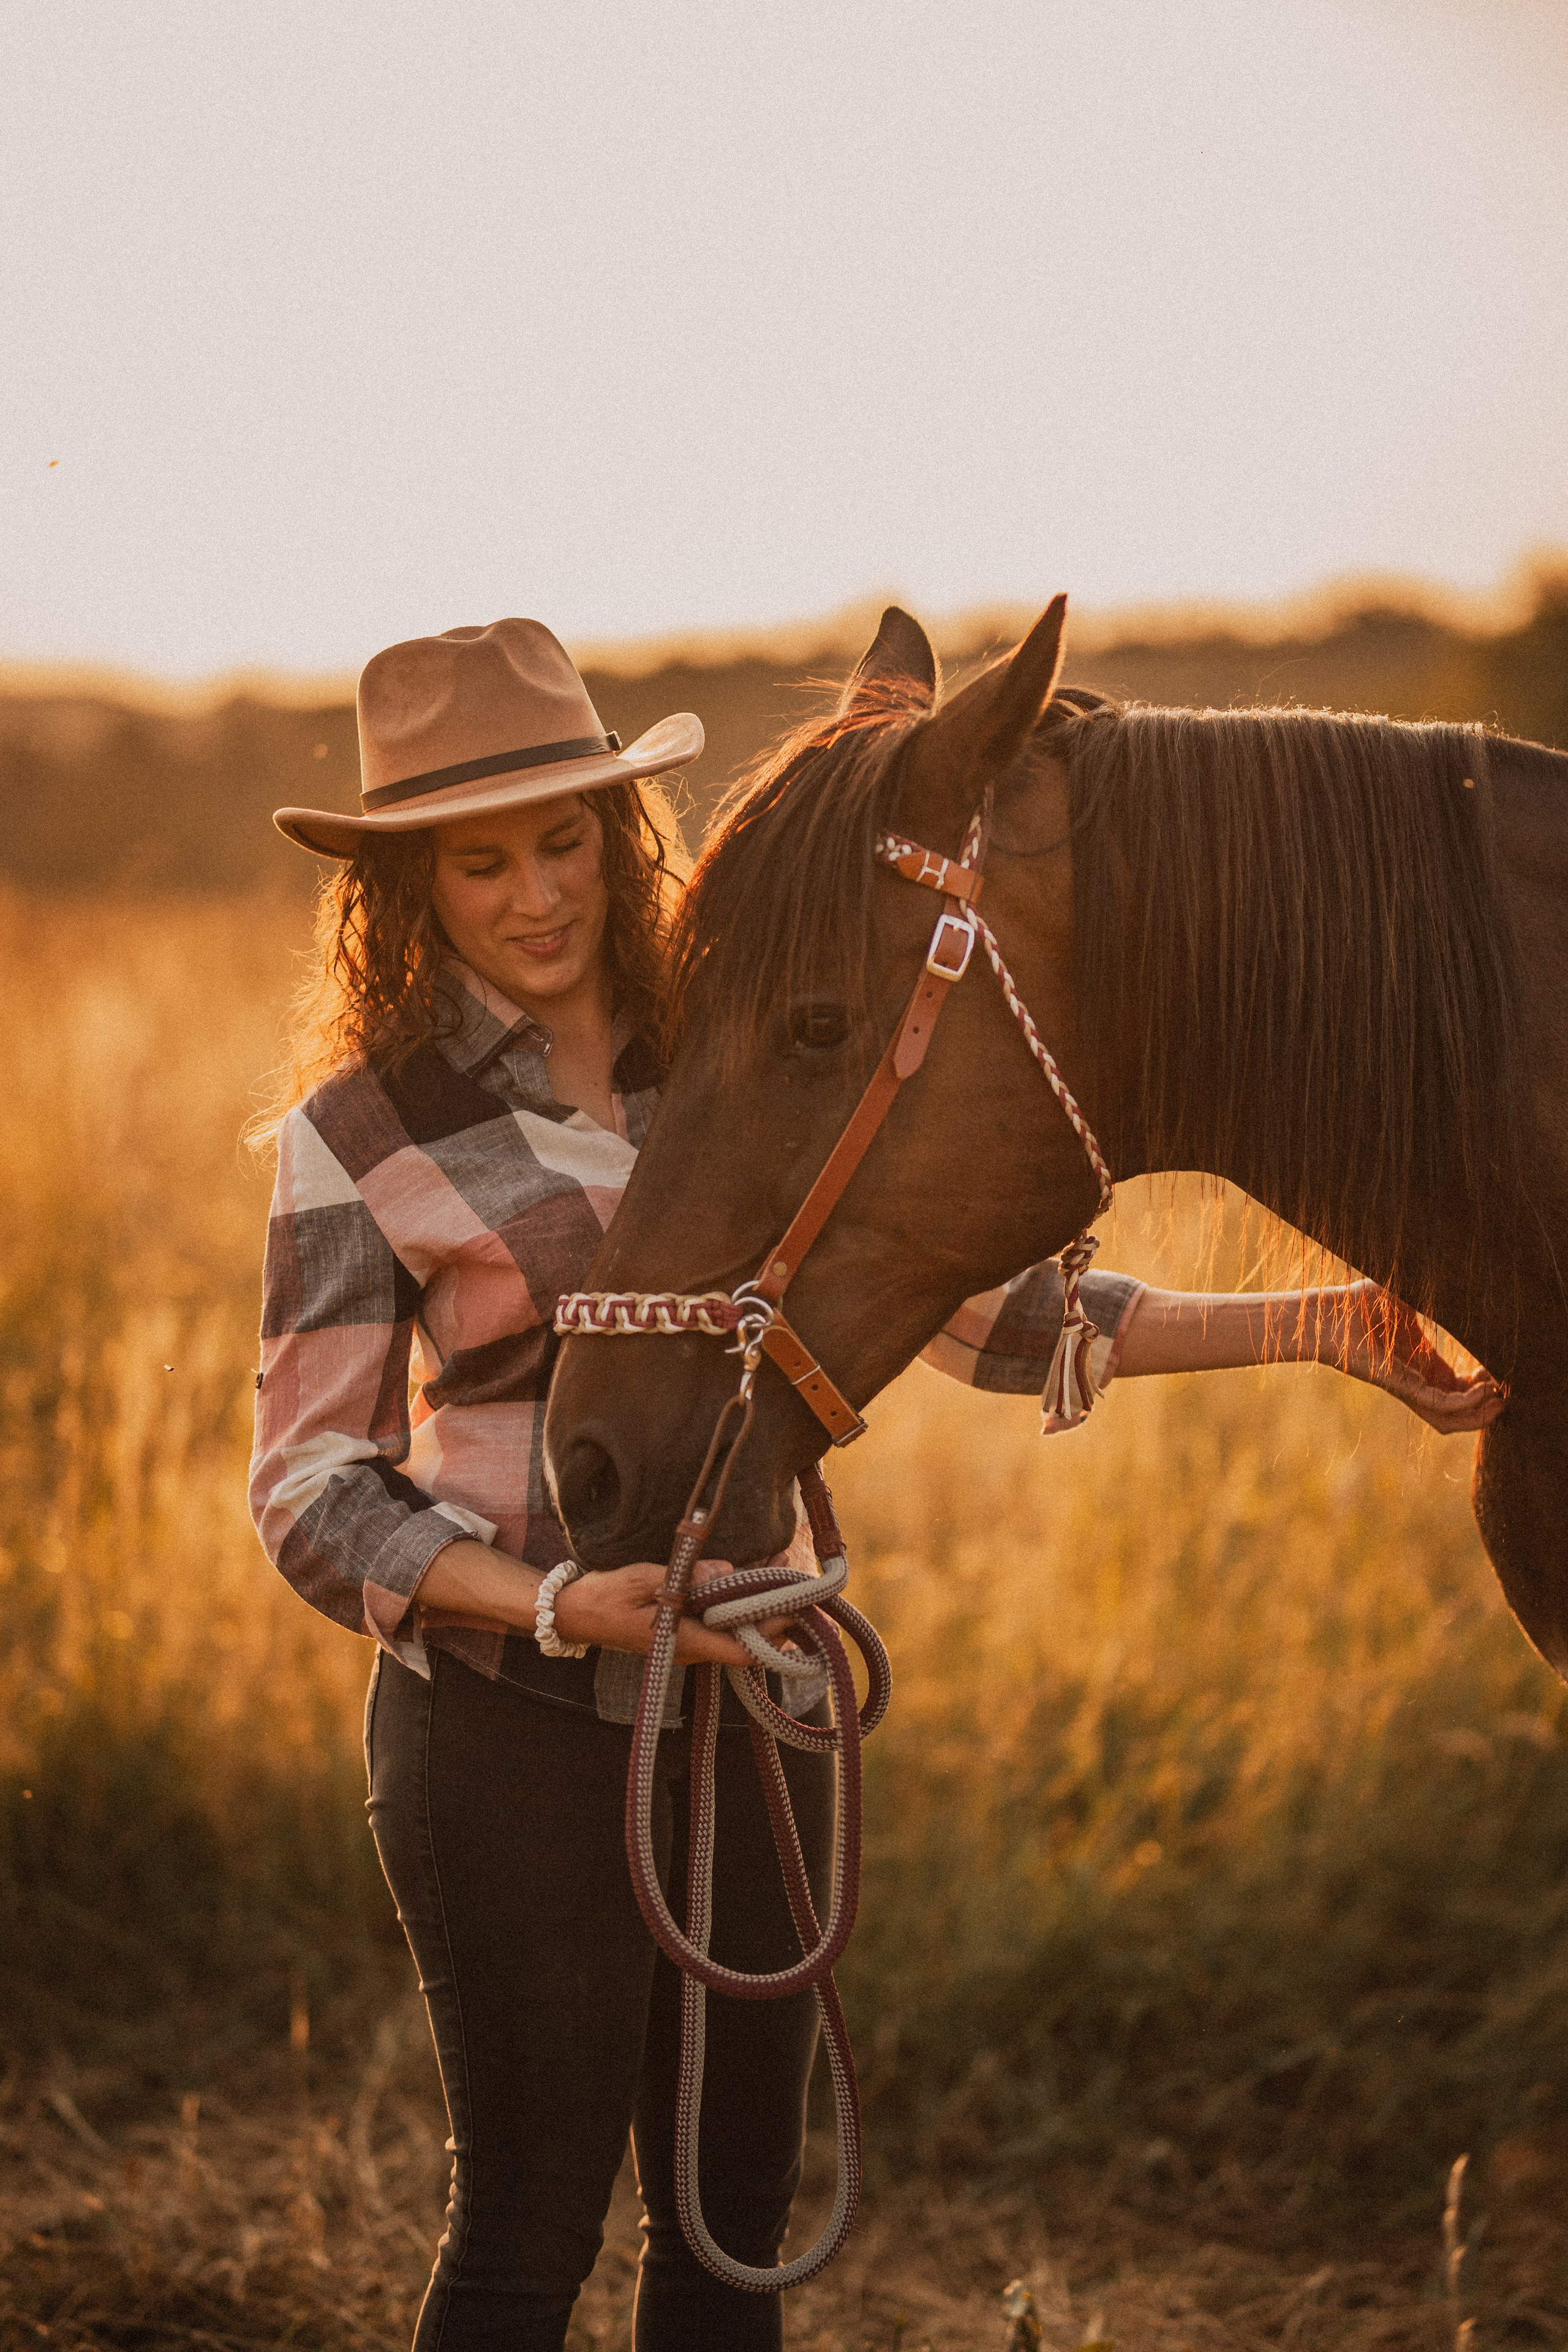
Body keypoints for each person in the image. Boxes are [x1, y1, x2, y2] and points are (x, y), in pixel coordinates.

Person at [250, 618, 1502, 2352]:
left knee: (734, 2228)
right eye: (482, 862)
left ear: (617, 839)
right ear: (413, 884)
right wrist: (547, 1599)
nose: (536, 897)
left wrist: (1320, 1325)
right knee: (529, 2227)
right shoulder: (360, 1130)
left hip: (757, 1703)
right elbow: (313, 1483)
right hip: (504, 1725)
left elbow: (978, 1315)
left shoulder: (740, 1047)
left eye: (562, 844)